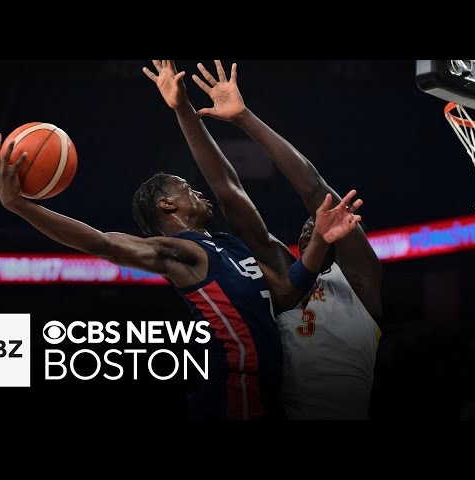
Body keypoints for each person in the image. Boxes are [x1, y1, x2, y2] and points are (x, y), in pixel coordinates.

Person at [0, 122, 361, 420]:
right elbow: (101, 243)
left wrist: (320, 241)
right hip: (234, 395)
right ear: (167, 204)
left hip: (265, 396)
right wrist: (19, 206)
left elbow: (287, 293)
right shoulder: (182, 254)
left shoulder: (228, 245)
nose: (197, 193)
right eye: (186, 189)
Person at [149, 59, 383, 420]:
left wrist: (246, 119)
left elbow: (313, 188)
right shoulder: (283, 280)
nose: (309, 224)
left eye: (316, 220)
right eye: (305, 224)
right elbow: (229, 192)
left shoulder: (360, 282)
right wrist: (185, 110)